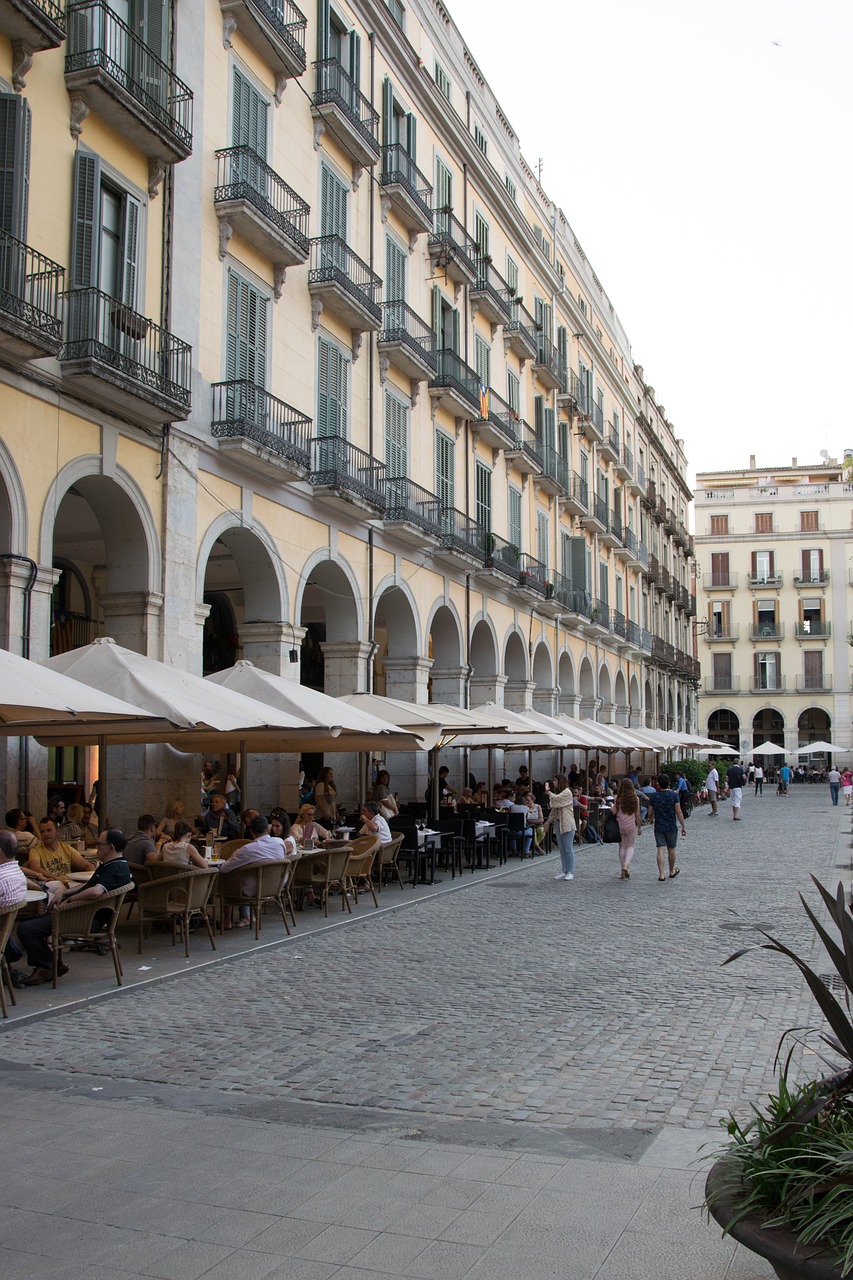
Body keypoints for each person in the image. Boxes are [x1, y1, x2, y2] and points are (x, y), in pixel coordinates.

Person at [17, 827, 132, 985]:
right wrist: (65, 893)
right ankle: (51, 965)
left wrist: (70, 901)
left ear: (110, 847)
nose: (97, 847)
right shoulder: (111, 865)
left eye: (100, 844)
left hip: (84, 919)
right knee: (31, 921)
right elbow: (89, 885)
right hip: (81, 914)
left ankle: (47, 966)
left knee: (26, 929)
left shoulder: (116, 868)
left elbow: (96, 891)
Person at [215, 814, 291, 928]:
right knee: (244, 877)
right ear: (268, 829)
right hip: (276, 885)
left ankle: (227, 922)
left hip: (254, 889)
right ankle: (245, 916)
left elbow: (225, 869)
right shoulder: (279, 842)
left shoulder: (248, 849)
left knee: (226, 882)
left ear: (251, 832)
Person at [24, 818, 94, 886]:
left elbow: (87, 865)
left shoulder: (66, 848)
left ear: (57, 832)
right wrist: (56, 879)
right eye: (42, 831)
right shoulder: (35, 850)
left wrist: (90, 879)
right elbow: (35, 867)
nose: (45, 834)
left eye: (49, 830)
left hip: (69, 883)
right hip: (51, 884)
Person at [647, 773, 687, 881]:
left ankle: (661, 874)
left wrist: (651, 819)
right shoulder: (674, 796)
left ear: (658, 784)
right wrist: (683, 826)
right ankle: (671, 870)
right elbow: (678, 811)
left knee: (660, 849)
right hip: (671, 825)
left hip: (659, 825)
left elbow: (650, 812)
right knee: (671, 849)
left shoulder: (655, 796)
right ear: (668, 783)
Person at [545, 782, 576, 881]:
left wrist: (548, 792)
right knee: (562, 849)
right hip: (559, 823)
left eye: (555, 780)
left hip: (567, 824)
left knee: (568, 848)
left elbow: (556, 800)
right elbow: (554, 809)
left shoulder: (567, 792)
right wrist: (549, 821)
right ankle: (564, 870)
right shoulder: (559, 794)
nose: (554, 782)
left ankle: (570, 871)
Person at [614, 779, 641, 880]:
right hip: (631, 825)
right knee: (630, 846)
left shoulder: (617, 798)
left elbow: (614, 812)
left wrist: (612, 807)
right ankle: (626, 865)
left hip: (620, 824)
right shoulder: (635, 799)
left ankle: (622, 870)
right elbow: (637, 814)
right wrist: (639, 827)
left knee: (622, 847)